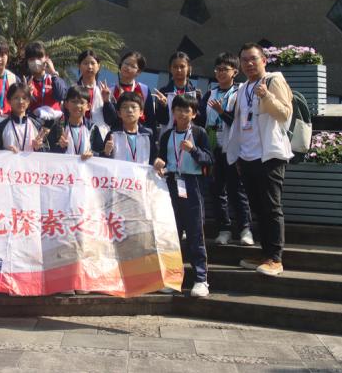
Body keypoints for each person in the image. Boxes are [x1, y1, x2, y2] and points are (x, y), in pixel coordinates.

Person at [231, 43, 294, 277]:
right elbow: (241, 123)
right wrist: (237, 155)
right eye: (244, 60)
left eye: (253, 59)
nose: (249, 64)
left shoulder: (273, 80)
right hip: (247, 156)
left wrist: (266, 96)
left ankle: (275, 258)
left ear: (264, 60)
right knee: (258, 208)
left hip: (269, 155)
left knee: (271, 207)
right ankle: (265, 254)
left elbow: (285, 114)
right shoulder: (242, 88)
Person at [154, 94, 212, 298]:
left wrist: (194, 150)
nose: (182, 113)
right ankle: (172, 279)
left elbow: (208, 160)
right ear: (173, 112)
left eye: (187, 110)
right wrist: (159, 163)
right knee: (172, 233)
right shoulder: (166, 135)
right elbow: (162, 158)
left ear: (194, 114)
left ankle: (201, 279)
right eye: (178, 109)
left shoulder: (199, 132)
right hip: (171, 183)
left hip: (192, 183)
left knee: (195, 233)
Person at [203, 52, 253, 246]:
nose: (220, 73)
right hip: (213, 147)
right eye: (218, 69)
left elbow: (240, 121)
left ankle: (245, 229)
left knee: (236, 190)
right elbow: (200, 118)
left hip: (233, 148)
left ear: (235, 72)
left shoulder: (240, 92)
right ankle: (224, 229)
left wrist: (221, 112)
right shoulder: (210, 93)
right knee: (217, 190)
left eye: (225, 69)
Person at [151, 51, 203, 137]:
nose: (178, 70)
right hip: (167, 138)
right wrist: (164, 106)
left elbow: (200, 121)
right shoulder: (163, 92)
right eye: (175, 67)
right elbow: (161, 120)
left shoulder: (196, 93)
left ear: (189, 68)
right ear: (170, 69)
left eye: (182, 66)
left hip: (189, 138)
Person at [44, 86, 102, 159]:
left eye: (82, 102)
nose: (77, 106)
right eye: (74, 101)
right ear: (66, 104)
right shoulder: (58, 128)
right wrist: (60, 148)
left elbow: (101, 155)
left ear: (88, 106)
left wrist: (92, 154)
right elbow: (48, 155)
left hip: (85, 166)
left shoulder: (92, 129)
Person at [0, 83, 48, 153]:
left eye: (24, 98)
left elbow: (47, 153)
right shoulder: (1, 127)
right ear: (9, 101)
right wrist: (5, 152)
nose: (20, 101)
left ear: (29, 101)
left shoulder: (37, 126)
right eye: (16, 98)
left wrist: (38, 148)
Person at [103, 92, 155, 165]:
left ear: (141, 112)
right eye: (125, 107)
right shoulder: (112, 135)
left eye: (133, 107)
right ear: (119, 113)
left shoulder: (148, 135)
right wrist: (106, 153)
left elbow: (153, 160)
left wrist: (157, 162)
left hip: (142, 172)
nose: (129, 110)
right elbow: (103, 163)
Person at [23, 41, 66, 122]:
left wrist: (53, 73)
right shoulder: (25, 82)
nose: (36, 62)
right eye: (32, 59)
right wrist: (26, 94)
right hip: (33, 123)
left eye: (39, 58)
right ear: (27, 62)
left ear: (46, 58)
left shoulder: (54, 79)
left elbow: (60, 96)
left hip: (54, 123)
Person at [71, 49, 114, 129]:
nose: (89, 67)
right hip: (78, 131)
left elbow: (111, 120)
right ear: (79, 66)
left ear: (98, 66)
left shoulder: (104, 90)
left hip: (101, 132)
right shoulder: (73, 89)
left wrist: (107, 102)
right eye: (85, 63)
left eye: (93, 63)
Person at [115, 51, 157, 126]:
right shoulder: (110, 90)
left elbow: (150, 118)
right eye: (126, 63)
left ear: (138, 72)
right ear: (121, 64)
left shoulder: (144, 90)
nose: (128, 68)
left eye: (133, 66)